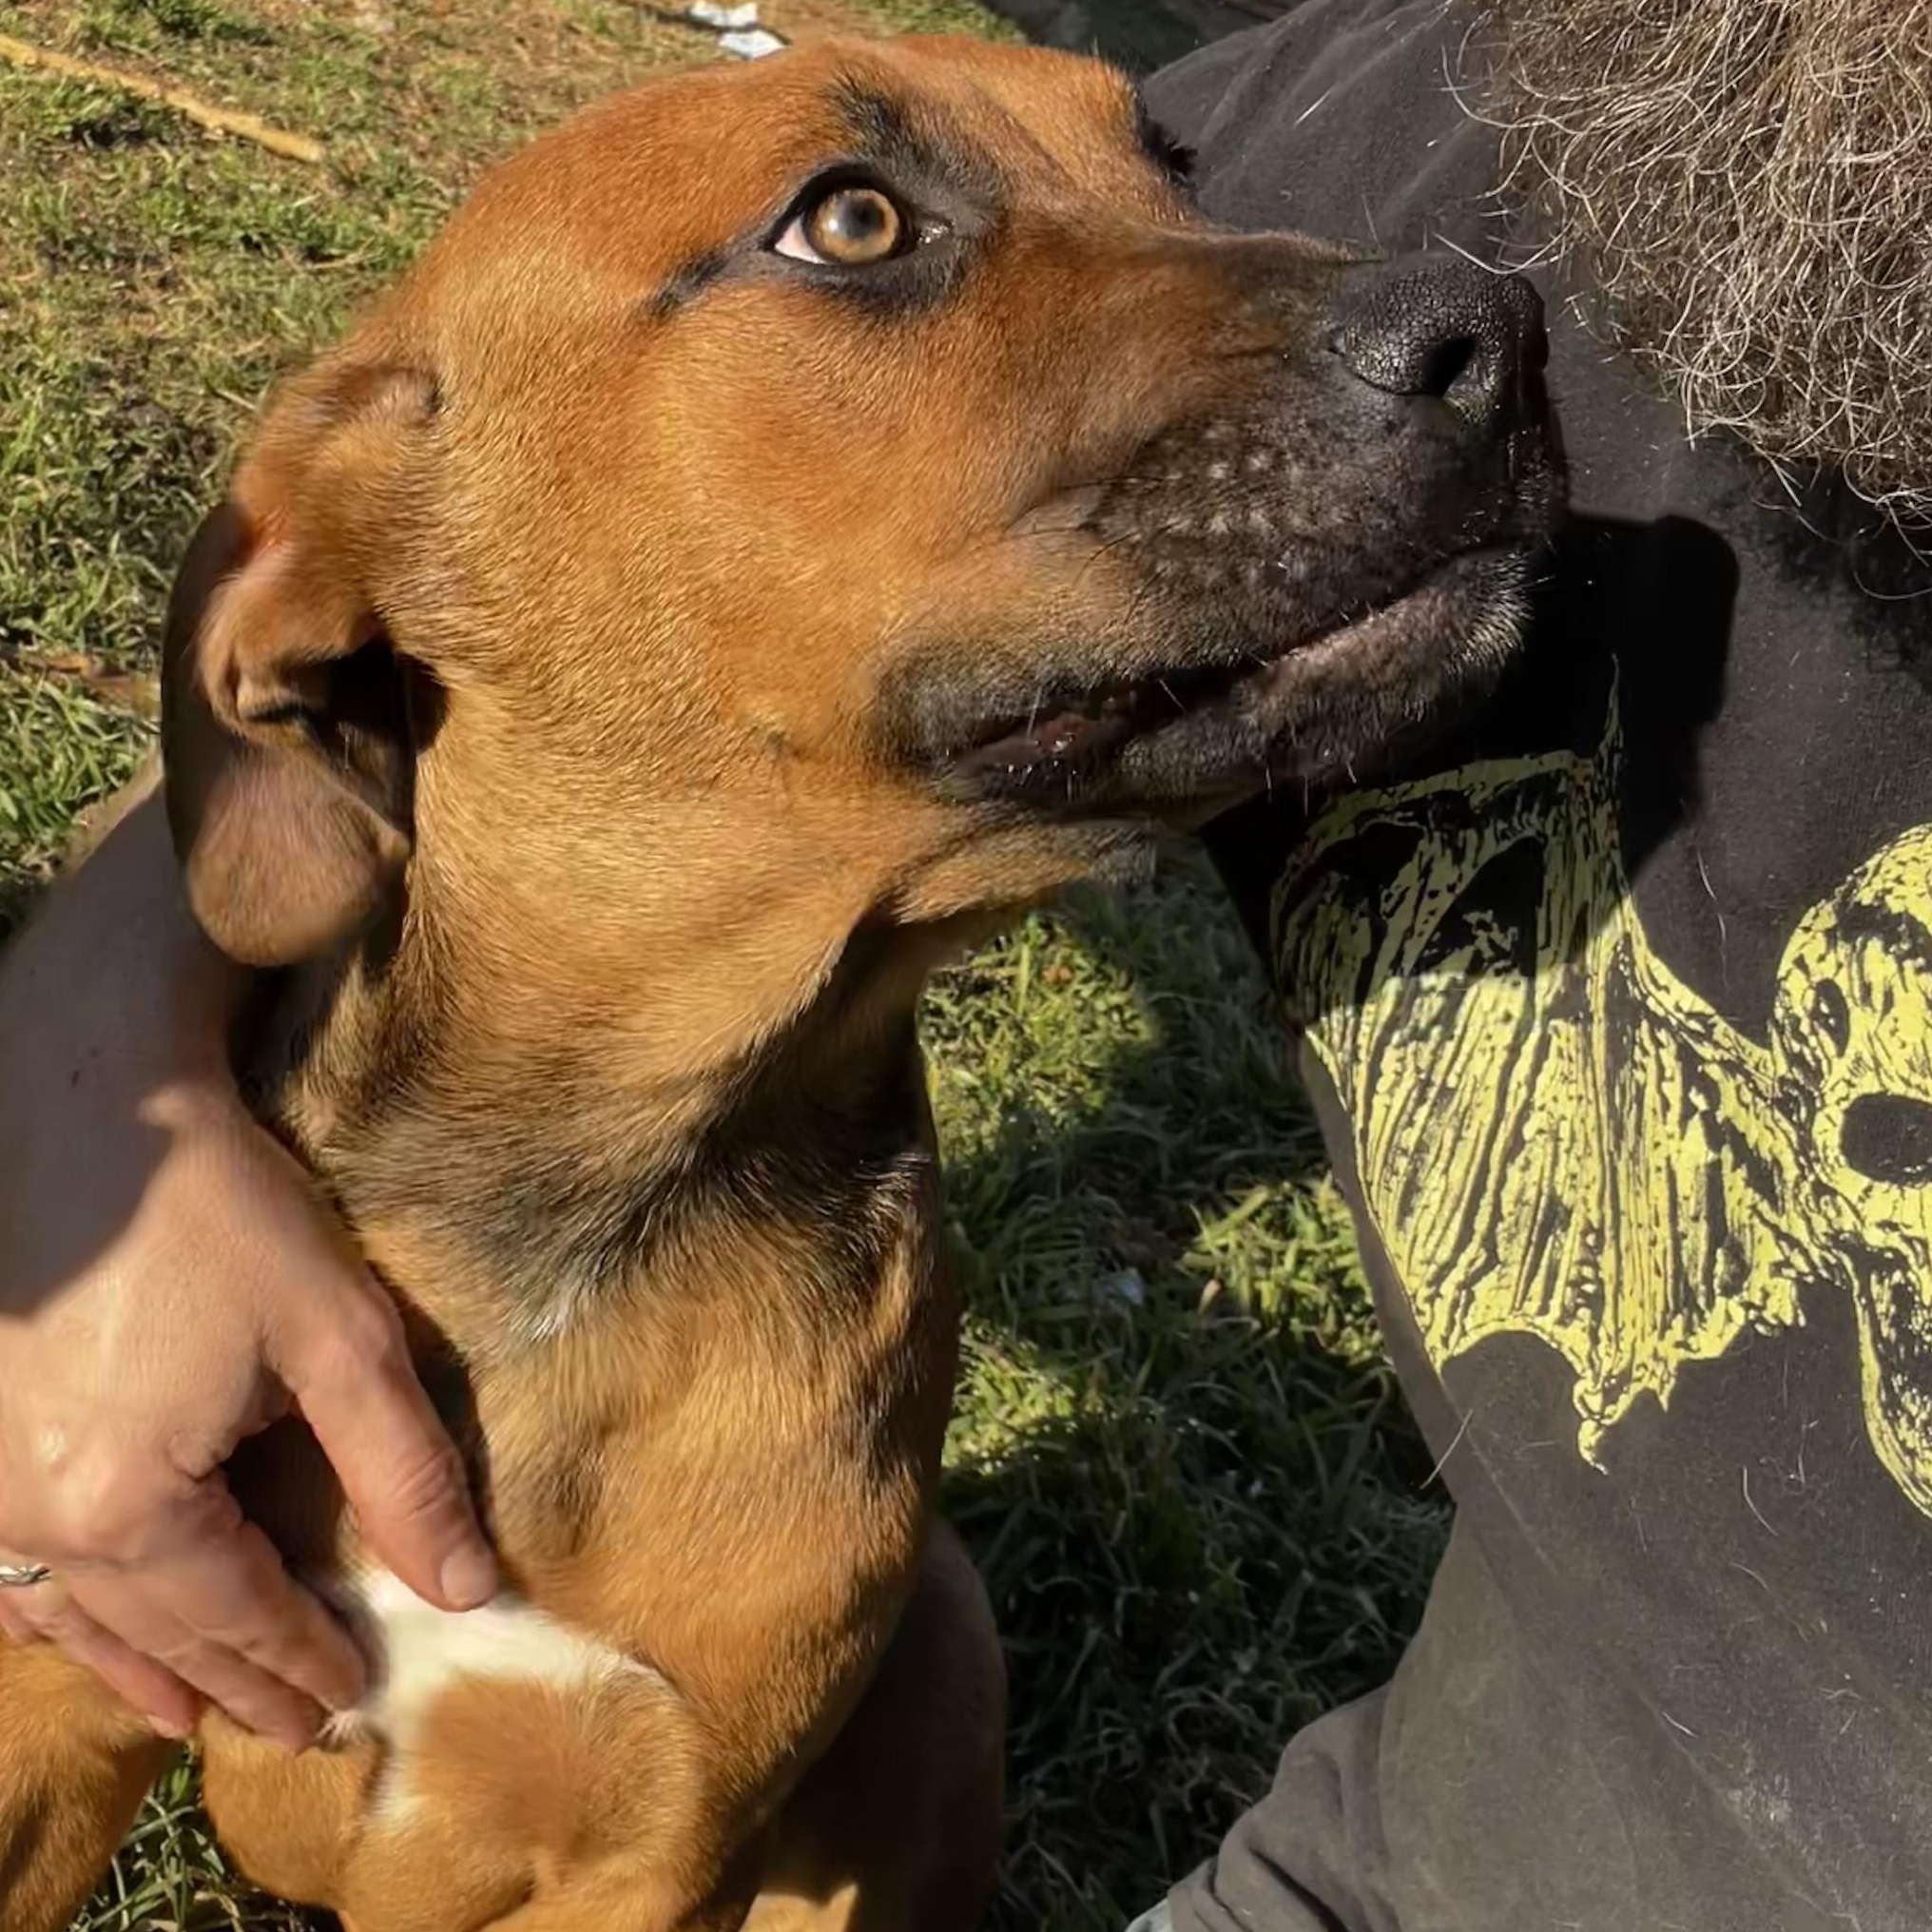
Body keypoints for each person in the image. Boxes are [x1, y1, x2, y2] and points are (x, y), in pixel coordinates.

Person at [3, 0, 1928, 1925]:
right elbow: (255, 835)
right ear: (389, 553)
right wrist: (95, 1074)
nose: (1442, 329)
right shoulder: (1473, 108)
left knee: (919, 1660)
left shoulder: (815, 1460)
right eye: (853, 229)